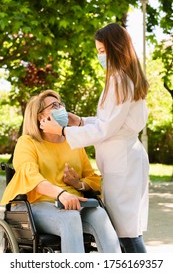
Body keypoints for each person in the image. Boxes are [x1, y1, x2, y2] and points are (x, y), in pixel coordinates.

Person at [40, 23, 150, 253]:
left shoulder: (118, 80)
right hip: (125, 157)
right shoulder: (127, 78)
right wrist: (79, 121)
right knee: (128, 230)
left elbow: (105, 129)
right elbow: (110, 123)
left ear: (115, 49)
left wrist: (61, 131)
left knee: (126, 233)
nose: (100, 56)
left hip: (123, 161)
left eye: (102, 51)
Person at [0, 89, 121, 253]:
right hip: (35, 205)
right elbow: (31, 177)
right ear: (40, 116)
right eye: (54, 105)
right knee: (69, 217)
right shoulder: (27, 143)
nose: (61, 108)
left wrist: (78, 184)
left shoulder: (73, 142)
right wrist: (61, 194)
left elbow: (92, 178)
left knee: (100, 215)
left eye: (61, 104)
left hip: (74, 204)